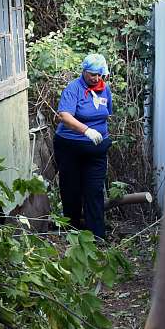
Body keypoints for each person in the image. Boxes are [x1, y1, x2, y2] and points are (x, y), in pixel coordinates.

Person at [53, 53, 113, 240]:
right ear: (84, 72)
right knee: (71, 189)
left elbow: (106, 113)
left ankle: (97, 237)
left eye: (98, 74)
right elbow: (65, 116)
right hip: (70, 147)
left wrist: (101, 135)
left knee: (94, 190)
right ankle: (72, 233)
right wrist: (86, 130)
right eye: (91, 74)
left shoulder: (105, 90)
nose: (95, 78)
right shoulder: (73, 89)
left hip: (96, 150)